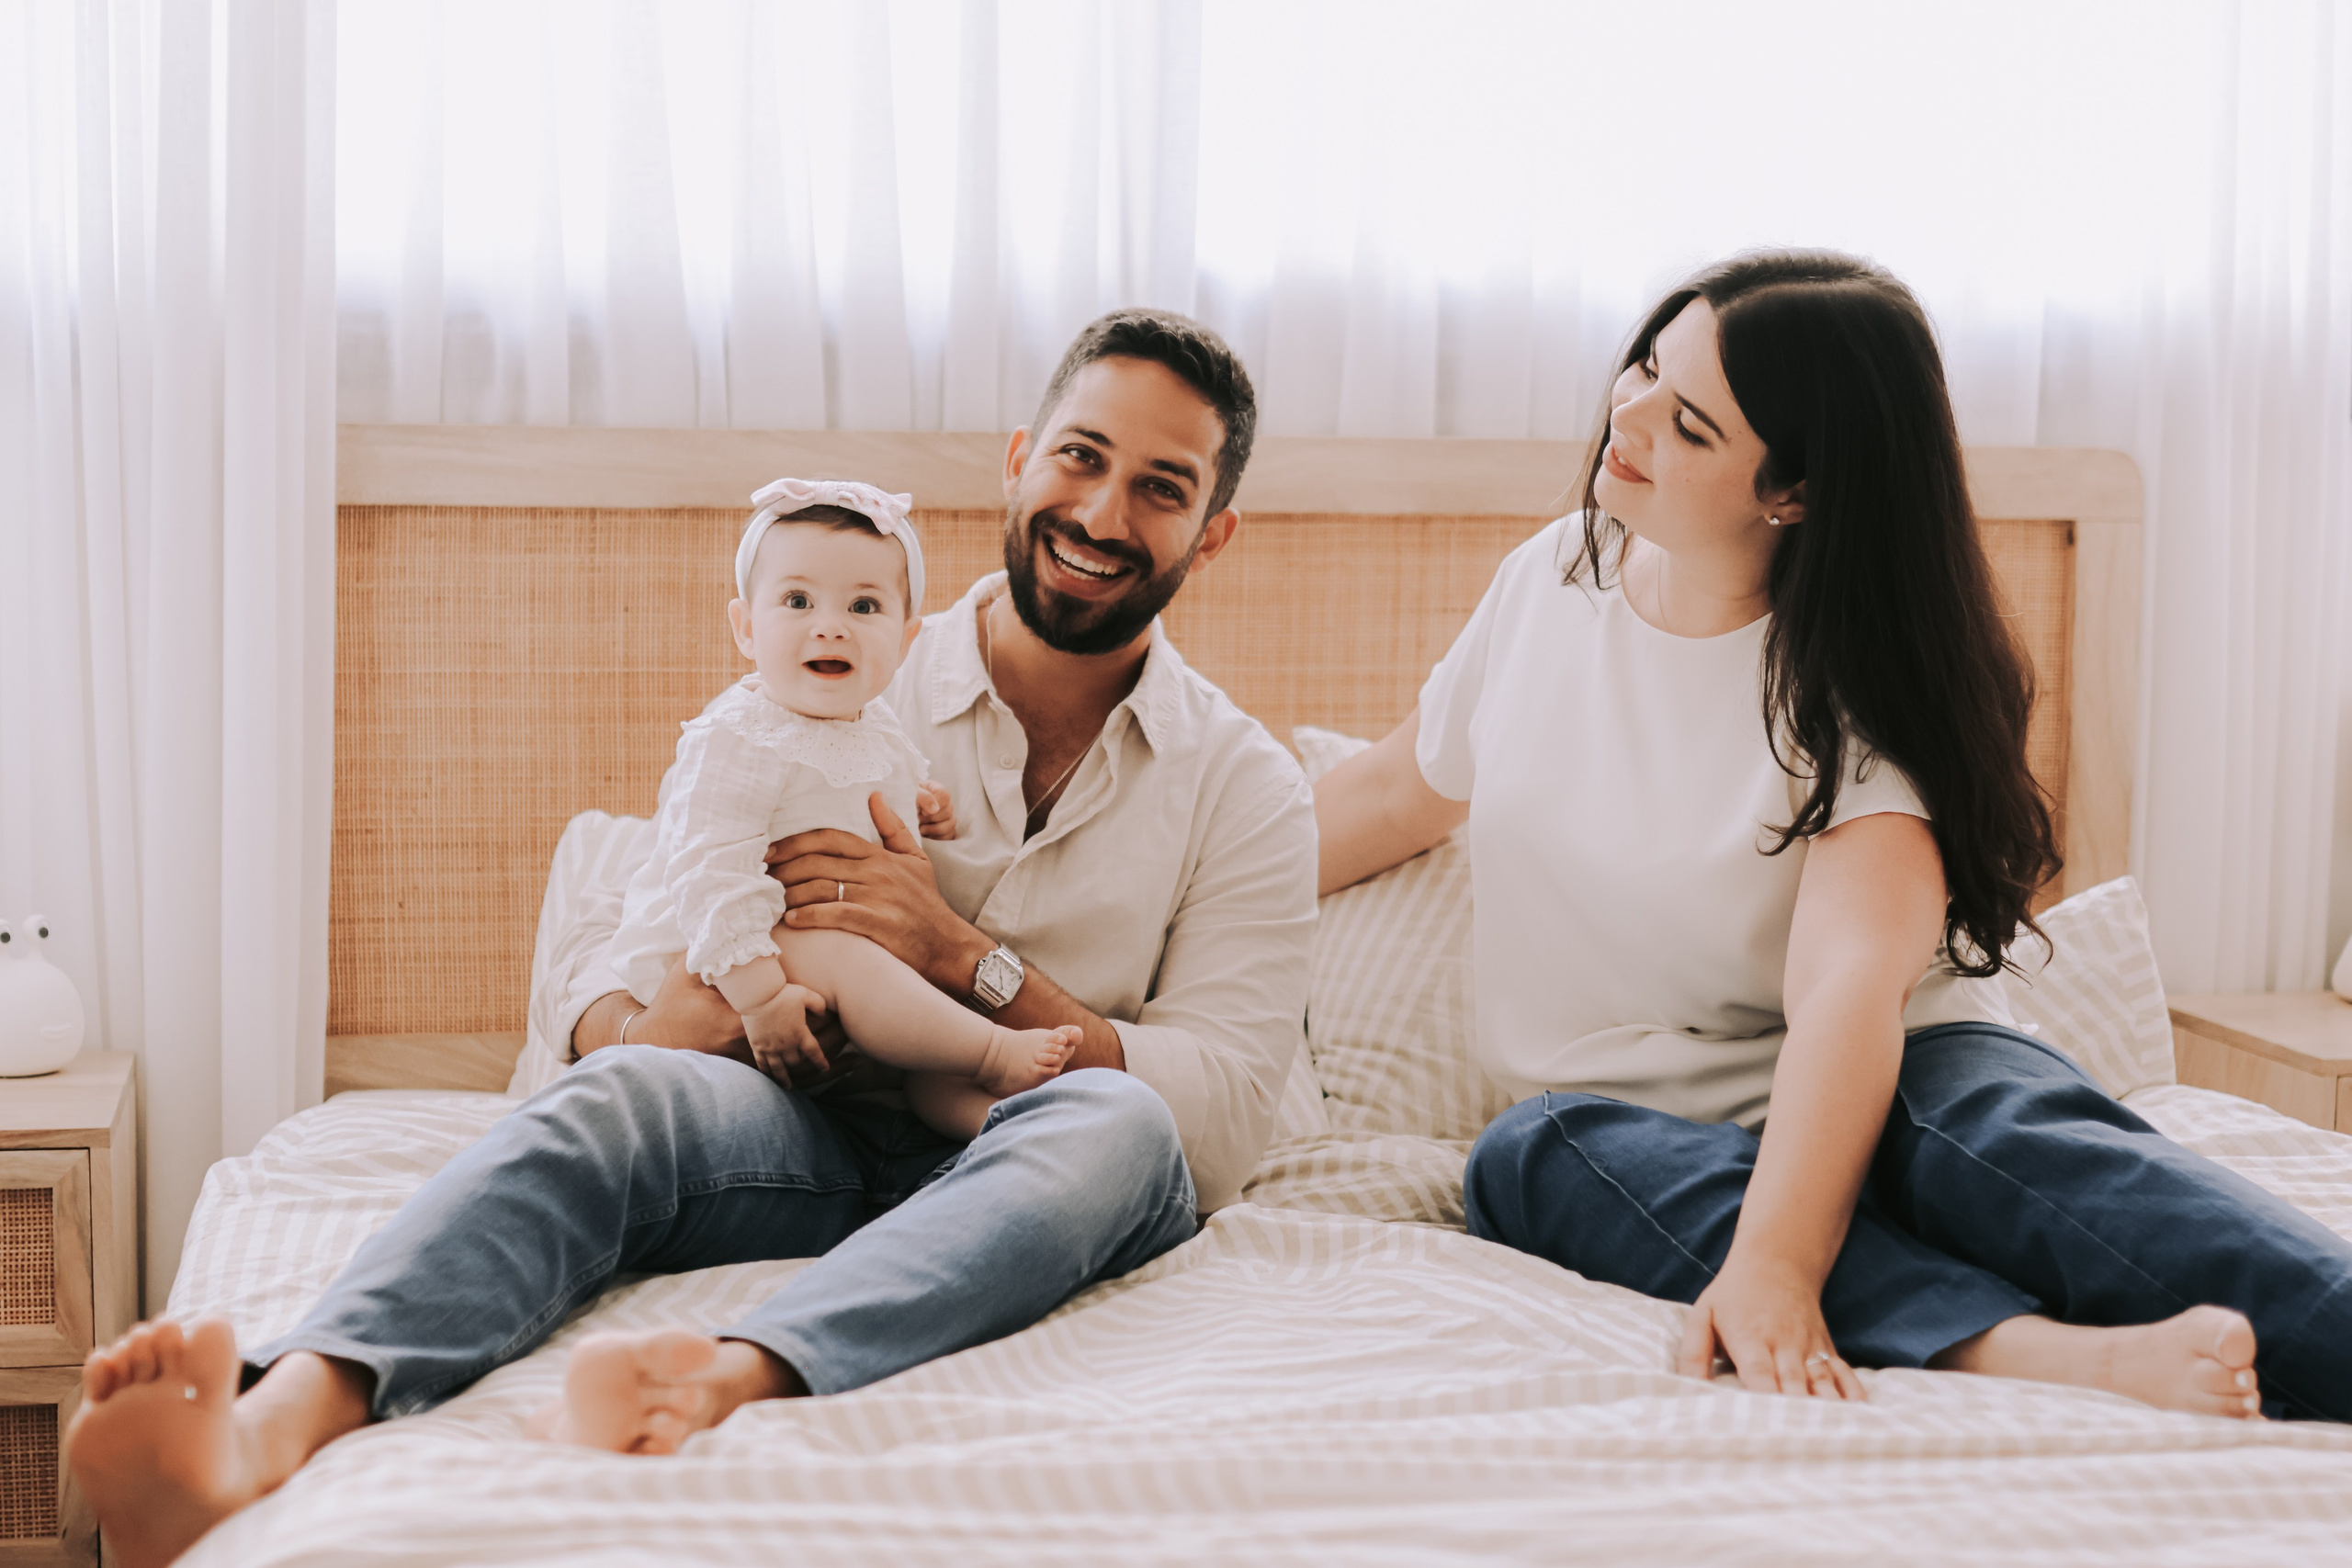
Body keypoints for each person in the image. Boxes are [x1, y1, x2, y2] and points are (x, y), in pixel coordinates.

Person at [66, 308, 1318, 1568]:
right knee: (625, 1092)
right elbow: (643, 910)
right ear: (1017, 457)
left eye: (1160, 487)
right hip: (802, 1125)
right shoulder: (838, 644)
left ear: (1211, 533)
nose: (1104, 512)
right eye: (1081, 456)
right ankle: (273, 1421)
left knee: (1124, 1119)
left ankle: (726, 1375)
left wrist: (959, 958)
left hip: (1030, 1152)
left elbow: (1219, 1112)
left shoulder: (1244, 784)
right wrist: (635, 1025)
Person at [1316, 250, 2352, 1423]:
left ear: (1794, 492)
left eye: (1690, 424)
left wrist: (1780, 1264)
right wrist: (1177, 917)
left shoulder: (1855, 687)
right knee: (1524, 1157)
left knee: (1997, 1143)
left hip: (1897, 1065)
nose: (1630, 416)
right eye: (1645, 368)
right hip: (1640, 1126)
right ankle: (2035, 1356)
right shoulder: (1551, 579)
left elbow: (1850, 993)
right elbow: (1400, 788)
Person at [605, 474, 1077, 1139]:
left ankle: (996, 1126)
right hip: (726, 956)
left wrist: (922, 807)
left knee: (923, 1022)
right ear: (745, 627)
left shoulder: (872, 724)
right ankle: (995, 1052)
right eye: (797, 601)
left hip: (820, 948)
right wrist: (761, 998)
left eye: (863, 607)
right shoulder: (740, 735)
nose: (830, 627)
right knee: (860, 967)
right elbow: (707, 867)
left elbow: (857, 787)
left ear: (906, 640)